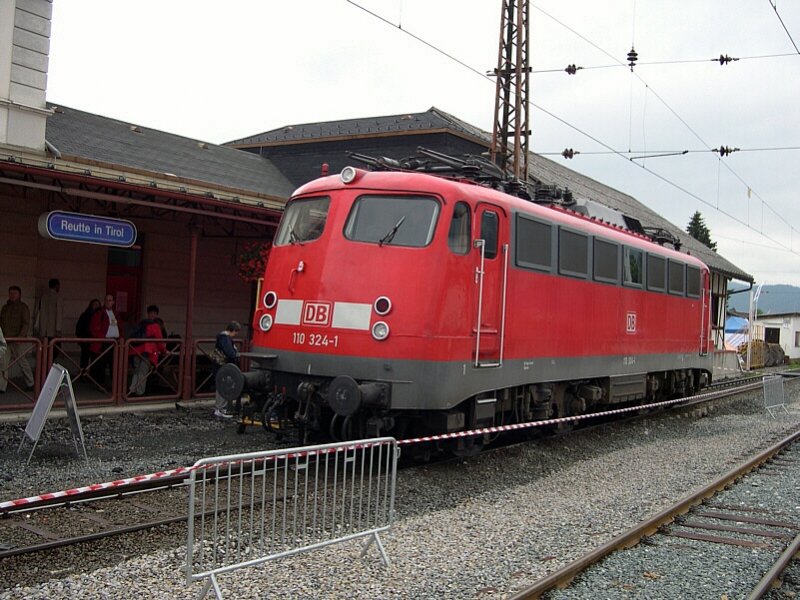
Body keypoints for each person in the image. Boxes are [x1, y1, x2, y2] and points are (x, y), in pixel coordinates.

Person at [0, 286, 35, 393]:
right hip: (6, 339)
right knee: (3, 363)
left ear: (19, 295)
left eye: (14, 293)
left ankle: (31, 383)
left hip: (17, 340)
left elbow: (25, 323)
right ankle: (1, 386)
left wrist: (20, 337)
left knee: (22, 362)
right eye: (11, 293)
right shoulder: (5, 308)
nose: (12, 295)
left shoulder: (23, 307)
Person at [128, 307, 166, 397]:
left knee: (136, 371)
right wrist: (164, 351)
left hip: (136, 350)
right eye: (152, 313)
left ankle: (131, 390)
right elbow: (160, 342)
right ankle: (139, 393)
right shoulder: (155, 326)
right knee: (143, 372)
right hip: (148, 351)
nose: (153, 315)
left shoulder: (141, 324)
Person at [89, 293, 122, 386]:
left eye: (110, 300)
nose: (108, 302)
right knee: (101, 364)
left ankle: (115, 385)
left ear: (113, 302)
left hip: (114, 342)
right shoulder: (99, 313)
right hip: (104, 342)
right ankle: (101, 383)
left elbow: (120, 327)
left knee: (114, 364)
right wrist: (103, 338)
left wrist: (120, 338)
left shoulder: (116, 314)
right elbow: (94, 329)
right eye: (106, 300)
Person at [213, 320, 241, 418]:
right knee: (224, 386)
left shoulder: (222, 337)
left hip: (220, 365)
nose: (236, 334)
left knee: (222, 386)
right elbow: (230, 353)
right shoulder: (225, 338)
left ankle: (220, 408)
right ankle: (221, 409)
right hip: (223, 366)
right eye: (236, 332)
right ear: (233, 330)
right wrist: (235, 355)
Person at [75, 298, 101, 370]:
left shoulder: (102, 316)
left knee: (95, 359)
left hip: (96, 341)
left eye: (97, 305)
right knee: (84, 359)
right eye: (94, 304)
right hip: (86, 341)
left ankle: (93, 374)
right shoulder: (85, 315)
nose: (96, 306)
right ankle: (83, 373)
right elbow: (79, 328)